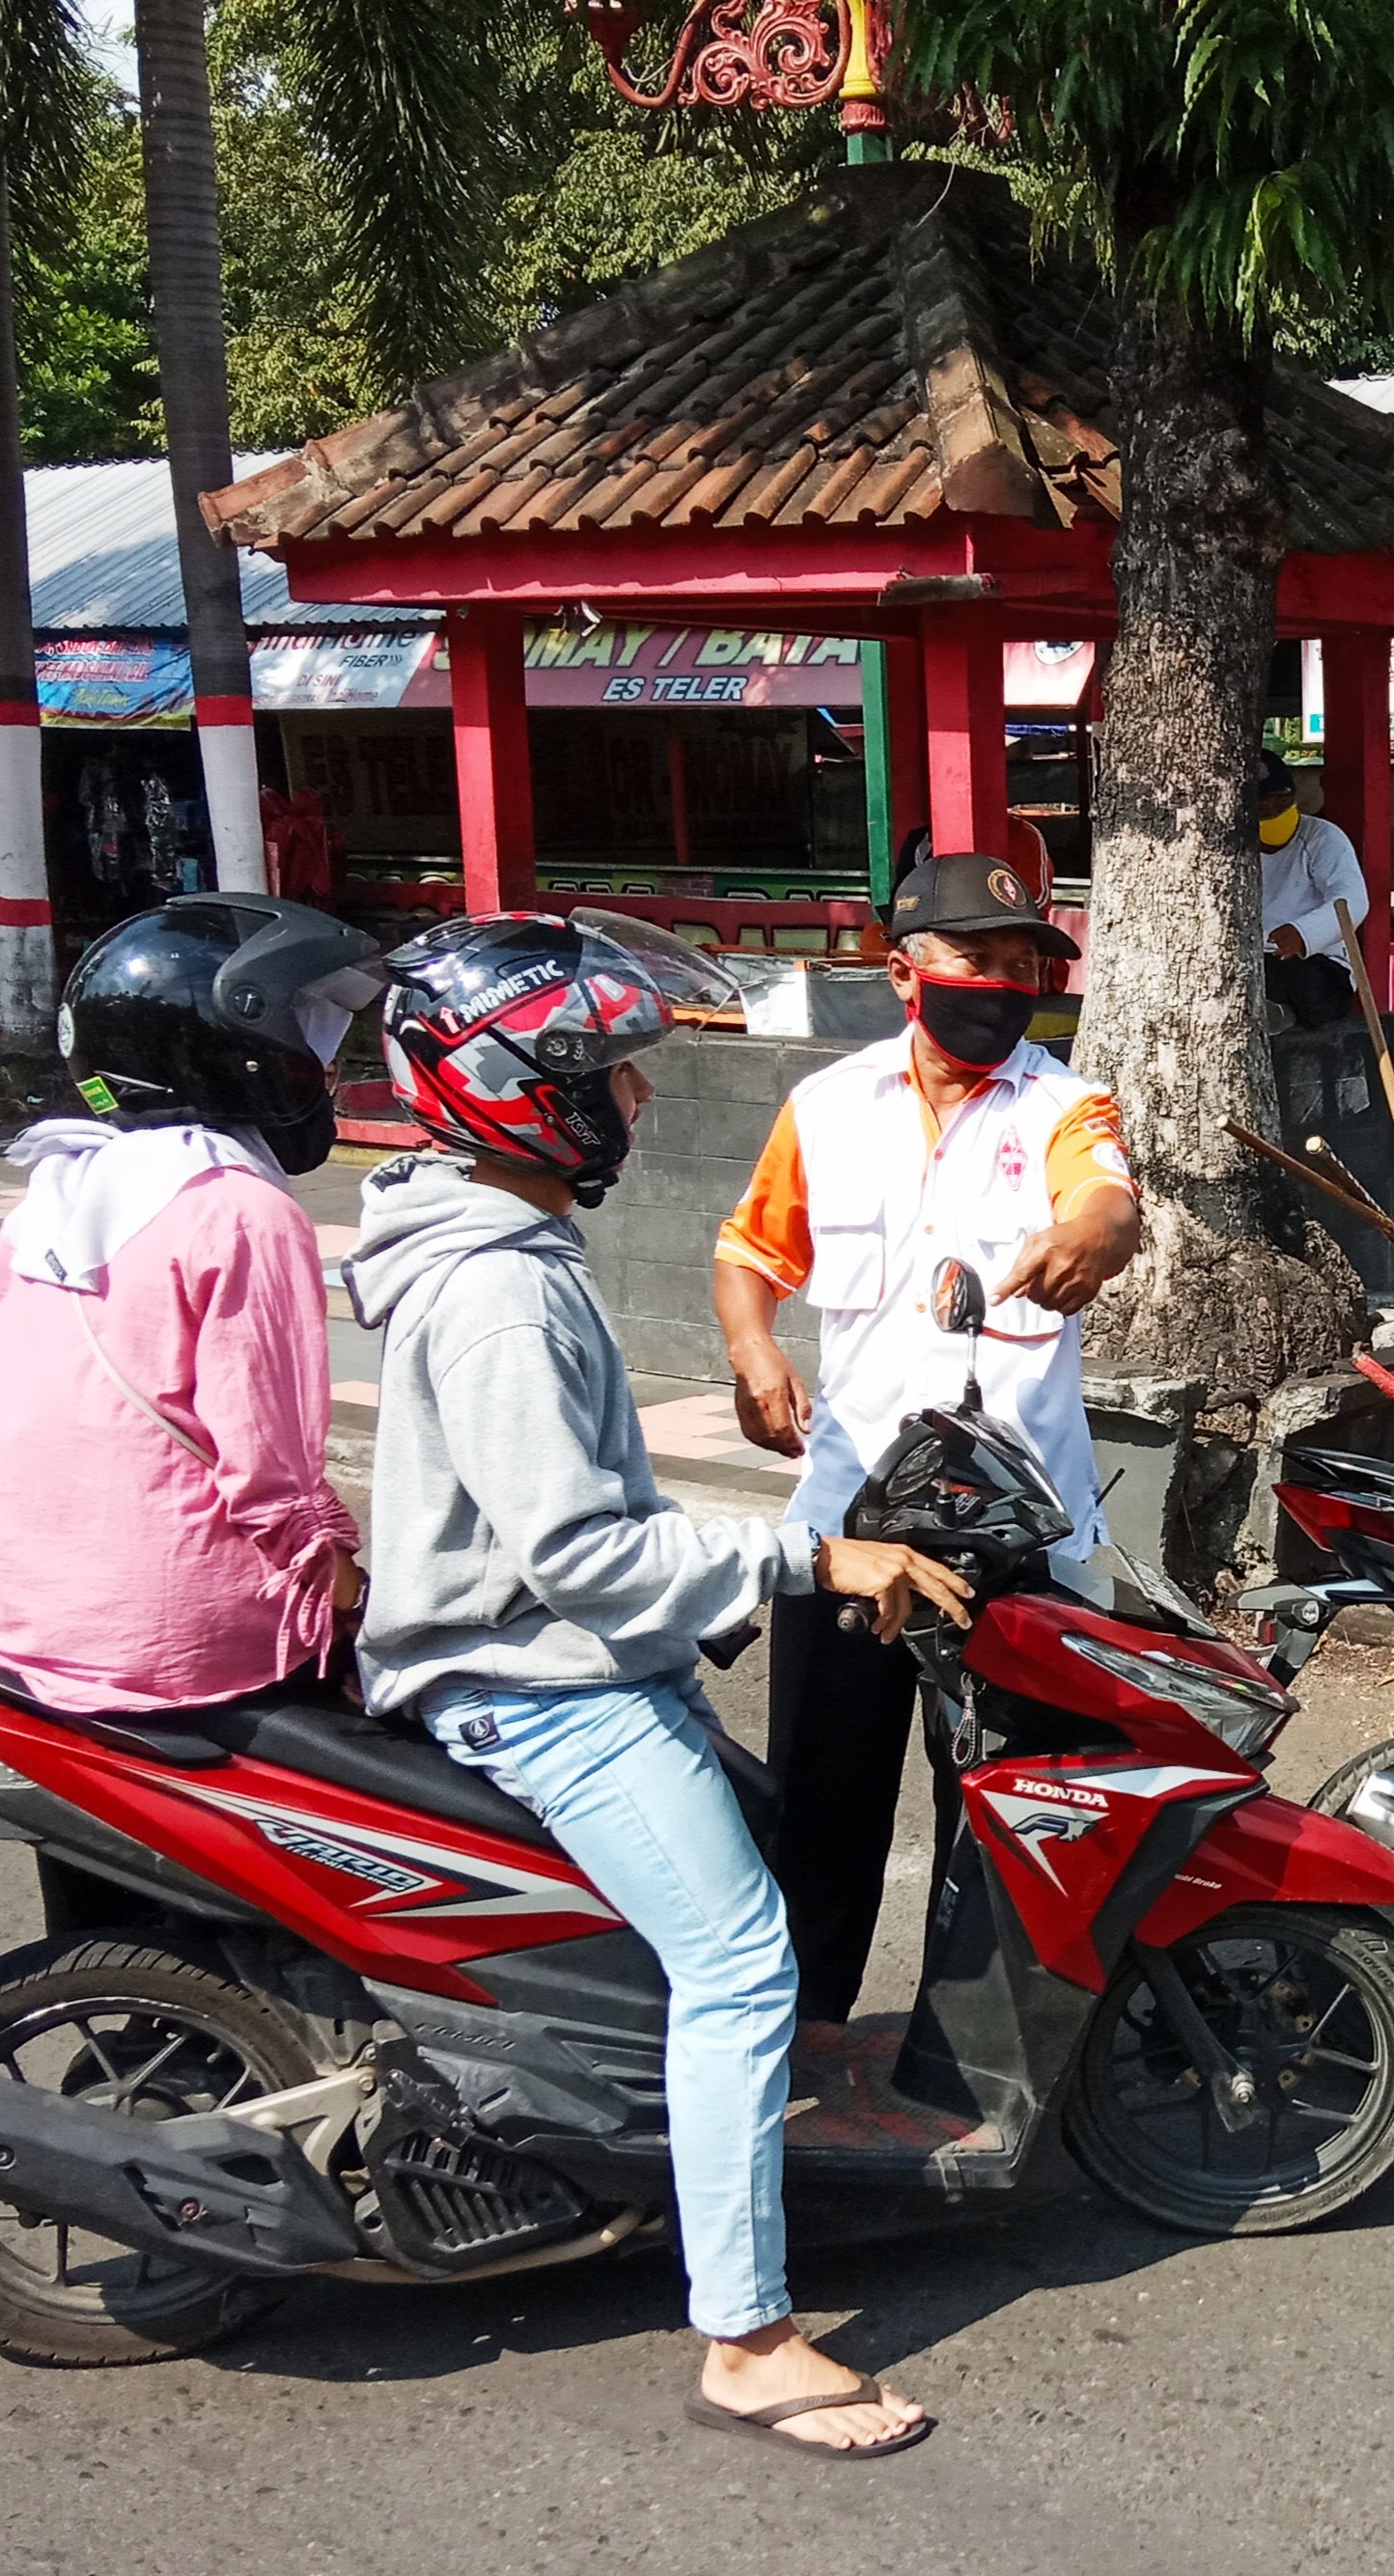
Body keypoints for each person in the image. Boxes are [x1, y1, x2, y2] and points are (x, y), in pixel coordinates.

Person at [355, 910, 972, 2452]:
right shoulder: (498, 1289)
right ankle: (749, 2336)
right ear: (523, 1086)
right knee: (747, 1963)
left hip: (551, 1655)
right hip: (544, 1681)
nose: (635, 1104)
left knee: (750, 1894)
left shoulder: (494, 1244)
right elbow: (583, 1557)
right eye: (611, 1076)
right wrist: (815, 1560)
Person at [712, 852, 1141, 2025]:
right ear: (904, 971)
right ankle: (801, 2055)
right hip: (850, 1524)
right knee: (821, 1815)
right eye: (977, 960)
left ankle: (982, 2070)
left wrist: (1096, 1234)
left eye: (1023, 967)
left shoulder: (1067, 1103)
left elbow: (1106, 1199)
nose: (1003, 987)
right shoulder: (826, 1107)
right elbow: (750, 1253)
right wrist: (755, 1351)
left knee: (1007, 1816)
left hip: (1019, 1535)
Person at [0, 899, 377, 1712]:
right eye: (310, 1037)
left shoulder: (52, 1195)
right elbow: (269, 1474)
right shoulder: (239, 1211)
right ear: (241, 1047)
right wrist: (353, 1588)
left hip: (27, 1621)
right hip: (191, 1645)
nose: (322, 1069)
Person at [1257, 749, 1368, 1032]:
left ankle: (1282, 1013)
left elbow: (1352, 899)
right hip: (1258, 957)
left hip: (1317, 960)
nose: (1272, 811)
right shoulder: (1233, 842)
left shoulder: (1322, 837)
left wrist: (1304, 934)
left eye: (1281, 801)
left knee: (1302, 982)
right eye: (1262, 804)